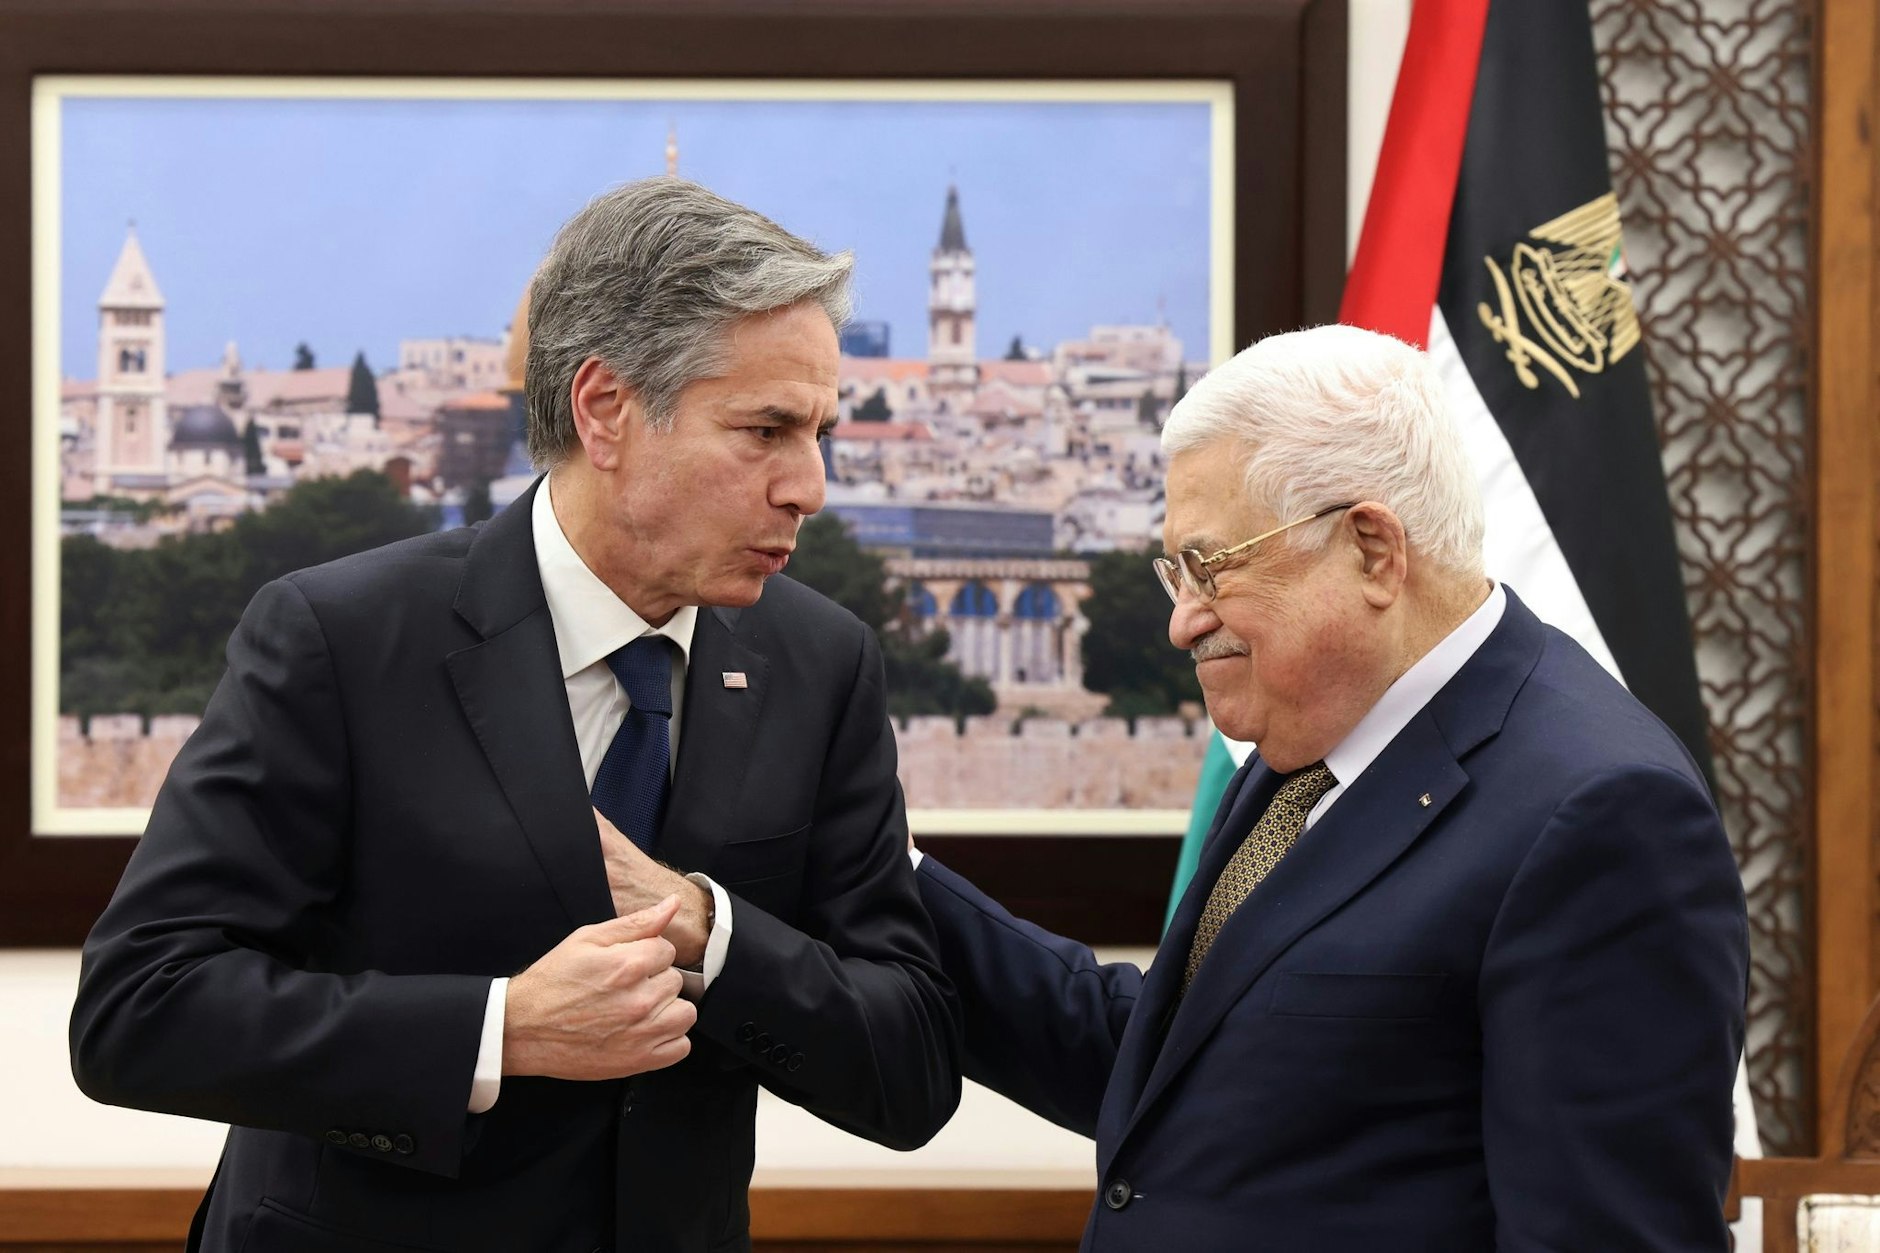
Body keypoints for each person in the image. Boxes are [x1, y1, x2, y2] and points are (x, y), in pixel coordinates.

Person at [71, 177, 960, 1253]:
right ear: (605, 409)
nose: (808, 487)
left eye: (819, 431)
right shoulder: (341, 638)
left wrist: (713, 931)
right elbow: (140, 1008)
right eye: (765, 429)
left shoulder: (821, 665)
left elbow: (912, 1063)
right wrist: (500, 1029)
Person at [913, 325, 1748, 1250]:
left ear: (1372, 550)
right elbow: (1188, 1062)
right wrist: (881, 870)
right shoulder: (1312, 742)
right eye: (1174, 573)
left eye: (1210, 567)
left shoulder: (1604, 816)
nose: (1182, 622)